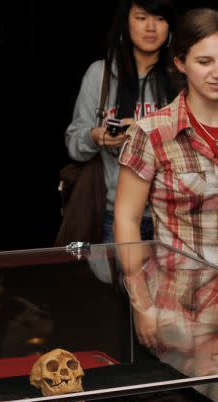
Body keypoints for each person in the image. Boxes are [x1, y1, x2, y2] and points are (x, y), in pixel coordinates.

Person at [115, 9, 218, 402]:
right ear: (181, 63)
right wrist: (142, 305)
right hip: (174, 313)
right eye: (205, 61)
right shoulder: (152, 133)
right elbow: (127, 219)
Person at [65, 0, 178, 243]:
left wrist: (143, 131)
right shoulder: (100, 74)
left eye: (160, 19)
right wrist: (95, 137)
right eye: (141, 17)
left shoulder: (181, 75)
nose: (151, 27)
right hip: (113, 213)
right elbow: (73, 142)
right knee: (117, 281)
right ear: (125, 23)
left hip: (174, 215)